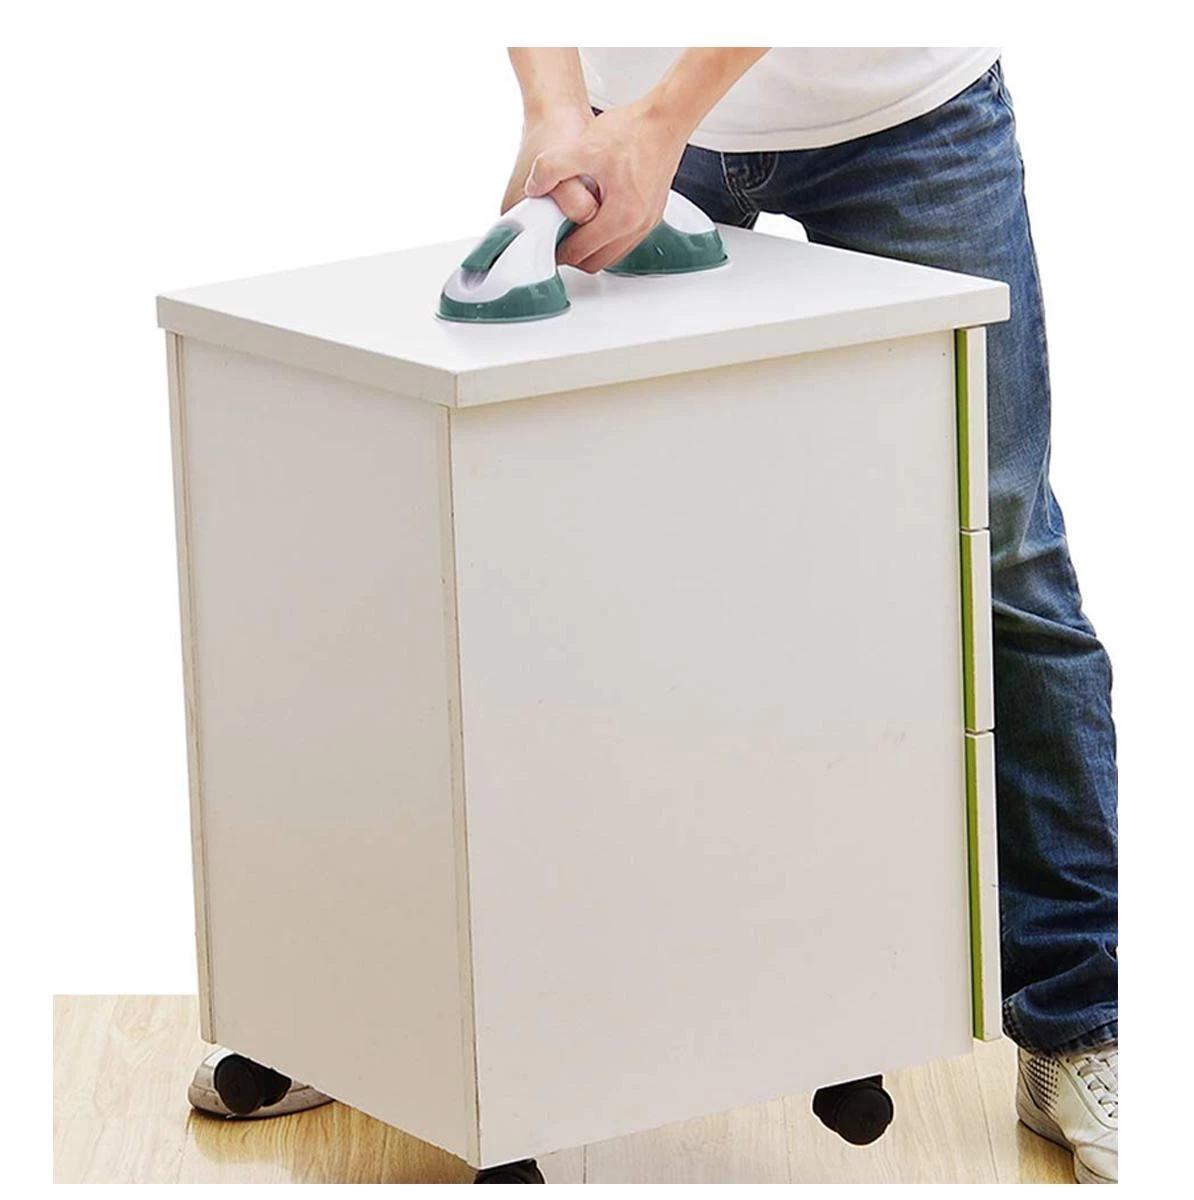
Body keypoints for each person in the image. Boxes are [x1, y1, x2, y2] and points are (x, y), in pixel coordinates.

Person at [191, 47, 1118, 1186]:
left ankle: (1078, 1019)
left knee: (1000, 549)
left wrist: (667, 118)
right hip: (620, 115)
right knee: (537, 553)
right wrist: (554, 109)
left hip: (895, 112)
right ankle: (382, 1023)